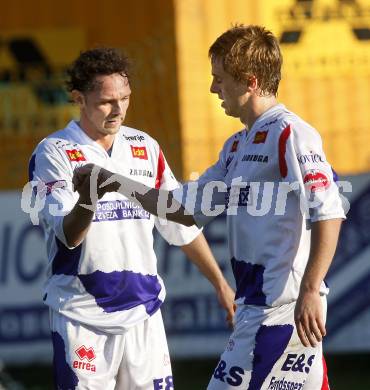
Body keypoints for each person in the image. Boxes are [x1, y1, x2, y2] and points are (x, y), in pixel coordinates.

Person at [74, 25, 347, 389]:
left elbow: (328, 211)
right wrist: (115, 182)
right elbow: (179, 208)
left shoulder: (291, 134)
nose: (213, 88)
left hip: (282, 313)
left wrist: (311, 290)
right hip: (257, 309)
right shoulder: (236, 147)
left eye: (219, 79)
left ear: (249, 81)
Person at [27, 47, 235, 390]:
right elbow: (68, 235)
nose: (119, 109)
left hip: (144, 314)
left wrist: (221, 284)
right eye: (107, 101)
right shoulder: (54, 152)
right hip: (82, 316)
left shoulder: (145, 146)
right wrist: (91, 196)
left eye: (125, 98)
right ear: (79, 98)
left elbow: (177, 221)